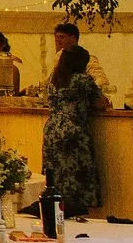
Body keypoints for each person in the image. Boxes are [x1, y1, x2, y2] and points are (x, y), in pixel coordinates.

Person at [41, 44, 106, 212]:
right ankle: (77, 210)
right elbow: (100, 103)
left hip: (53, 128)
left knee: (57, 173)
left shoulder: (53, 81)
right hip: (73, 129)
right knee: (77, 173)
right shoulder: (82, 80)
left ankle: (58, 210)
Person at [51, 21, 111, 100]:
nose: (58, 41)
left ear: (73, 38)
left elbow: (102, 81)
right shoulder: (58, 58)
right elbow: (50, 80)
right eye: (56, 38)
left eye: (62, 37)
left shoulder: (87, 59)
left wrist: (84, 92)